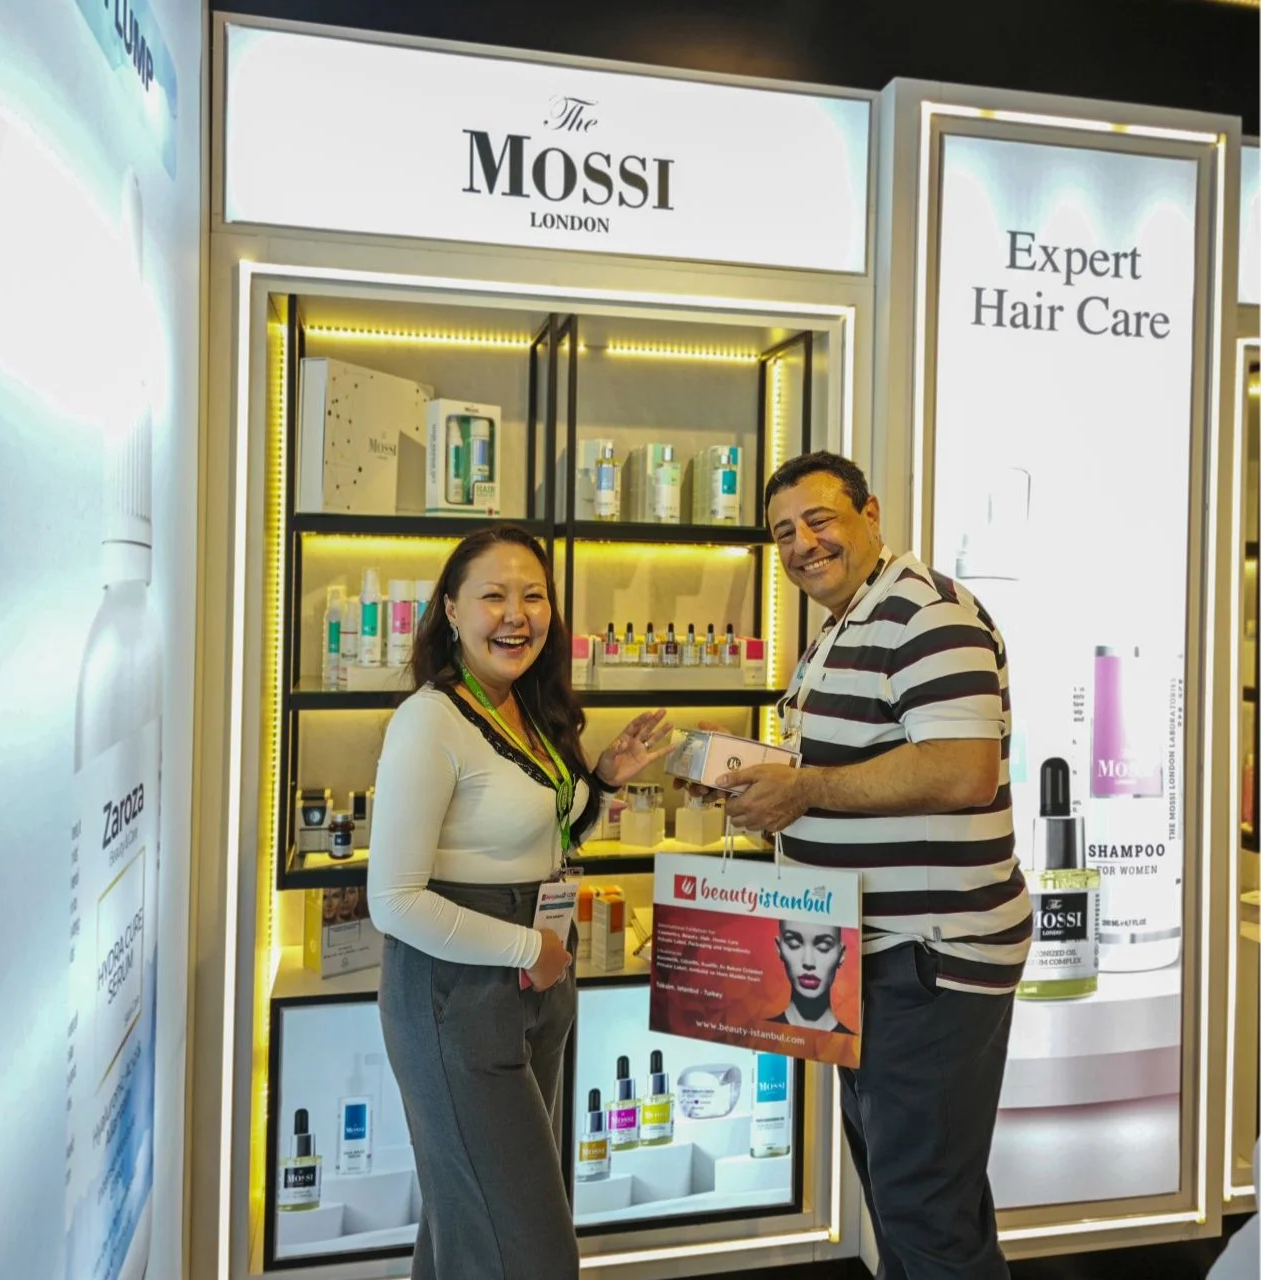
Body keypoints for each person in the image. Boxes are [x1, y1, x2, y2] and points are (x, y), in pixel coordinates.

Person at [715, 452, 1031, 1280]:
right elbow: (845, 763)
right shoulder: (845, 624)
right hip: (867, 958)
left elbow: (962, 770)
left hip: (929, 961)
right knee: (910, 1201)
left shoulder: (927, 614)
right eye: (784, 532)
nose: (803, 544)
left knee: (924, 1210)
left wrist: (805, 789)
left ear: (871, 514)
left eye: (819, 519)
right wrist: (762, 787)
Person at [367, 524, 671, 1280]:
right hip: (456, 996)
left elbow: (543, 836)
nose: (516, 615)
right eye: (493, 596)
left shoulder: (523, 708)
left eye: (533, 596)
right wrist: (527, 947)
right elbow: (394, 900)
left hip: (535, 988)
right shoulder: (430, 720)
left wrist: (602, 780)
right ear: (451, 608)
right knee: (529, 1250)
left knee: (470, 1230)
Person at [770, 919, 854, 1032]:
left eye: (824, 946)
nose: (808, 962)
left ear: (841, 954)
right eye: (794, 943)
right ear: (779, 948)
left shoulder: (852, 1042)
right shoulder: (759, 1033)